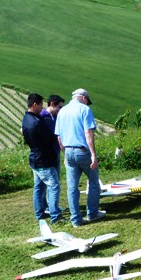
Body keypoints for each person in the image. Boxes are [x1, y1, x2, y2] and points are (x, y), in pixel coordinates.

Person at [55, 88, 104, 227]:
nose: (87, 104)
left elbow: (59, 137)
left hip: (68, 151)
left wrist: (65, 154)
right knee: (94, 182)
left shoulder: (62, 111)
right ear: (83, 98)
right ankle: (92, 213)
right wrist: (93, 154)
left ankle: (75, 219)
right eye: (87, 101)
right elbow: (88, 132)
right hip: (82, 151)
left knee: (72, 187)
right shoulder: (84, 110)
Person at [22, 93, 62, 223]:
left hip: (34, 159)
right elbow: (50, 137)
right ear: (35, 104)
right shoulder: (36, 122)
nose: (42, 108)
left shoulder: (26, 119)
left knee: (39, 188)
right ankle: (55, 216)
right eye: (40, 105)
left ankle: (39, 214)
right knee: (54, 186)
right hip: (43, 159)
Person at [41, 94, 65, 174]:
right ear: (52, 104)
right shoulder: (42, 116)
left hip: (56, 153)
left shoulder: (56, 117)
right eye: (59, 107)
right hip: (46, 154)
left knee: (56, 179)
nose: (60, 110)